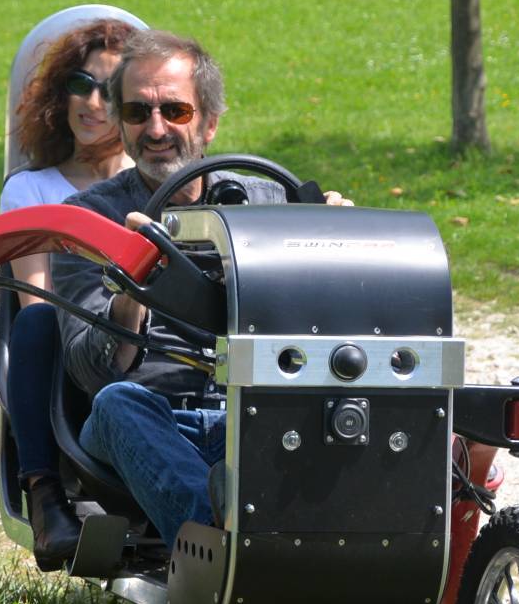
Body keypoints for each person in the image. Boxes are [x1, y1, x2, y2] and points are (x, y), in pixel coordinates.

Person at [51, 29, 351, 549]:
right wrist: (130, 287)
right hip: (147, 420)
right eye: (138, 113)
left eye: (176, 111)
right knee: (121, 403)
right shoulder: (89, 220)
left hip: (254, 416)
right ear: (121, 127)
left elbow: (333, 325)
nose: (157, 128)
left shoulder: (268, 203)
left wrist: (343, 243)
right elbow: (88, 371)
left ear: (210, 123)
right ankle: (217, 545)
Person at [1, 18, 136, 569]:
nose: (91, 102)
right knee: (37, 320)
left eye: (109, 90)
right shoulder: (32, 189)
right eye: (80, 84)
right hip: (68, 350)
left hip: (145, 346)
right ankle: (44, 497)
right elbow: (34, 295)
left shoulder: (162, 184)